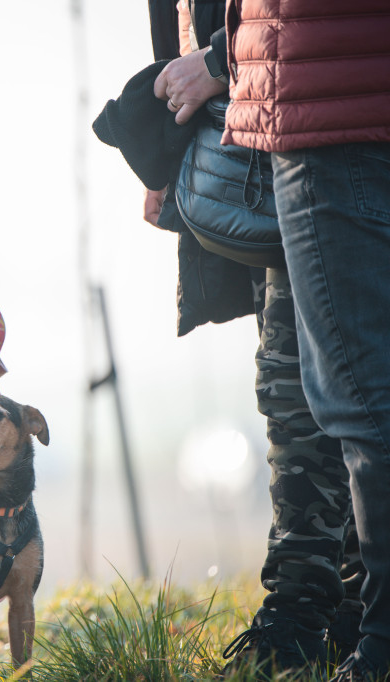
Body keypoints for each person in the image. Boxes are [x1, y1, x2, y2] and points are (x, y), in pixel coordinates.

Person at [143, 1, 365, 677]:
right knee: (294, 382)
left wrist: (218, 61)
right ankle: (324, 611)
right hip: (260, 136)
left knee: (325, 388)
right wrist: (165, 145)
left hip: (327, 132)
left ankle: (312, 616)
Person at [223, 2, 390, 680]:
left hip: (331, 95)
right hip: (341, 83)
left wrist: (216, 61)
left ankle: (378, 650)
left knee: (362, 397)